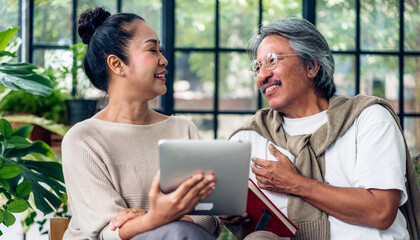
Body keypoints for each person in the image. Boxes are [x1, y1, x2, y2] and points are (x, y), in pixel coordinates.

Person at [222, 18, 420, 240]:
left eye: (272, 61)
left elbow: (381, 211)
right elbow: (209, 211)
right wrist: (228, 213)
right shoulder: (249, 136)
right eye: (257, 67)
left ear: (312, 66)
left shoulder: (368, 118)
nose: (262, 76)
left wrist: (295, 183)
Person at [61, 7, 223, 240]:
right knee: (179, 231)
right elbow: (110, 233)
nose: (164, 60)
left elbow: (208, 218)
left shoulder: (182, 129)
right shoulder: (83, 139)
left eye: (161, 50)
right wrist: (161, 218)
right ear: (117, 65)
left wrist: (153, 218)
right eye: (152, 50)